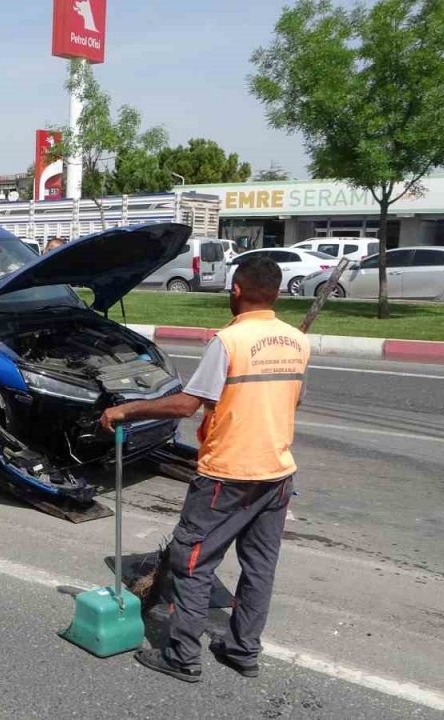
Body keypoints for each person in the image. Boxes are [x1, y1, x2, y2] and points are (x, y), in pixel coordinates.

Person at [98, 255, 309, 683]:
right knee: (259, 567)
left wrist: (127, 410)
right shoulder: (296, 341)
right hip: (276, 473)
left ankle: (182, 656)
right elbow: (295, 399)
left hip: (227, 474)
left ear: (236, 290)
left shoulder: (229, 341)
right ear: (276, 293)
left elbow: (186, 404)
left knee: (192, 563)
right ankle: (243, 650)